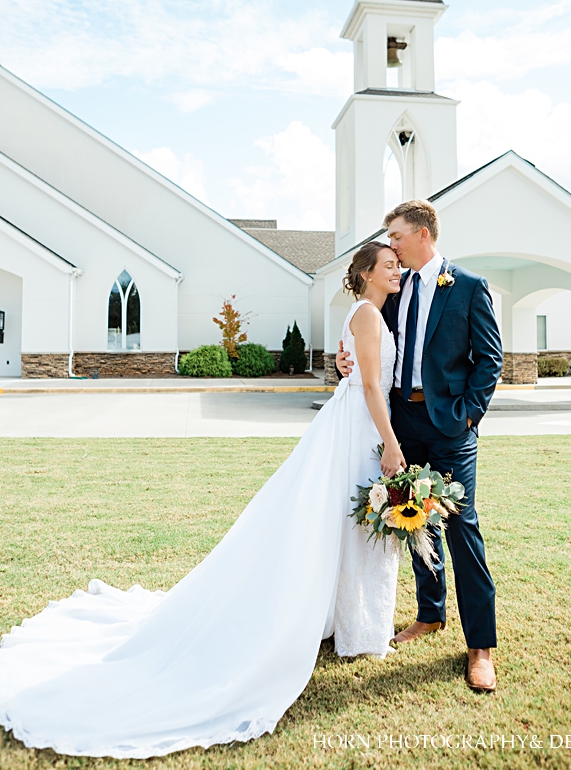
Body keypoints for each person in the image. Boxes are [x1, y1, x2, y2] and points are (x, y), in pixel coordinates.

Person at [0, 242, 403, 759]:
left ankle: (346, 621)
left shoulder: (365, 311)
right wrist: (390, 442)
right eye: (387, 265)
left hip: (352, 426)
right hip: (359, 428)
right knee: (339, 524)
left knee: (341, 524)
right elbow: (371, 384)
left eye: (397, 263)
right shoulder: (368, 315)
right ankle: (350, 625)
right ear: (367, 274)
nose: (396, 270)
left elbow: (358, 374)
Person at [336, 200, 503, 692]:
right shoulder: (395, 283)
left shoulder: (469, 287)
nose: (391, 245)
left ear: (424, 233)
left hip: (450, 425)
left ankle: (480, 646)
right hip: (400, 419)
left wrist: (467, 415)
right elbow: (365, 339)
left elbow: (489, 359)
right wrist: (344, 361)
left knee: (460, 527)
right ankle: (429, 614)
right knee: (410, 516)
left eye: (397, 235)